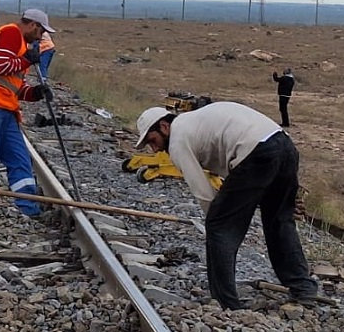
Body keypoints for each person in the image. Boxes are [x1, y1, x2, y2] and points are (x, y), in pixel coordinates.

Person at [134, 101, 318, 310]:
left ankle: (226, 303)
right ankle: (304, 289)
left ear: (164, 127)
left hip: (255, 152)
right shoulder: (195, 121)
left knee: (218, 226)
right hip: (284, 147)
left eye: (153, 140)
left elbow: (202, 192)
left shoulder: (177, 139)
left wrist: (219, 219)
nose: (155, 148)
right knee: (279, 221)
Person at [0, 9, 55, 217]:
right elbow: (2, 66)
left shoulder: (20, 43)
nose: (41, 36)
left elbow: (14, 85)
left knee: (19, 157)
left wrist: (35, 93)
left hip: (5, 109)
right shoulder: (11, 33)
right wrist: (26, 59)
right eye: (41, 31)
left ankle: (28, 207)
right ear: (33, 25)